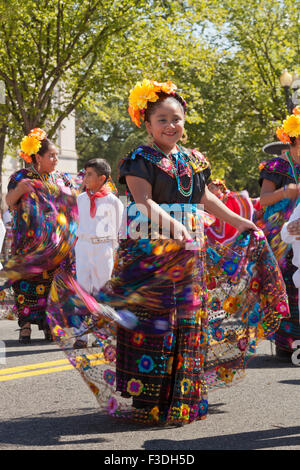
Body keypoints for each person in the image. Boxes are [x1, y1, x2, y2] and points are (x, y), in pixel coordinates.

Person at [46, 79, 288, 426]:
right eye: (161, 119)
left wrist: (241, 222)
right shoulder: (139, 159)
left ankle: (182, 395)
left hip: (190, 251)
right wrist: (176, 228)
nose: (170, 125)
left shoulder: (193, 159)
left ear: (184, 121)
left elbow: (205, 199)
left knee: (188, 319)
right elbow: (143, 202)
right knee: (154, 322)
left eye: (176, 118)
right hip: (151, 252)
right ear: (147, 125)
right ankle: (149, 399)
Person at [5, 128, 76, 344]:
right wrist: (21, 189)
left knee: (52, 283)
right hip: (26, 243)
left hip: (55, 243)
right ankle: (24, 326)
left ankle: (49, 324)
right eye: (51, 155)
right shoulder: (20, 177)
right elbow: (9, 201)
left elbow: (72, 203)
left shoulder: (62, 178)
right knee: (24, 281)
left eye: (56, 155)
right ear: (38, 157)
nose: (56, 159)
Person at [257, 105, 300, 360]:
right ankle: (287, 342)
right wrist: (286, 192)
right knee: (286, 280)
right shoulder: (276, 166)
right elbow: (263, 201)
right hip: (282, 236)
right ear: (294, 140)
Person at [73, 158, 124, 348]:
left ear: (102, 178)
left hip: (104, 247)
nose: (85, 178)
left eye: (89, 174)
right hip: (84, 246)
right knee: (83, 290)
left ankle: (102, 334)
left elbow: (119, 229)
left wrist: (114, 251)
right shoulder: (81, 199)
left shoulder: (113, 202)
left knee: (102, 290)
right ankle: (81, 335)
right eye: (85, 174)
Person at [206, 178, 255, 244]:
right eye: (209, 189)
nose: (210, 190)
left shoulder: (227, 197)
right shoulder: (215, 198)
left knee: (211, 231)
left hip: (227, 223)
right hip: (219, 220)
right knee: (209, 231)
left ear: (219, 188)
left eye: (212, 188)